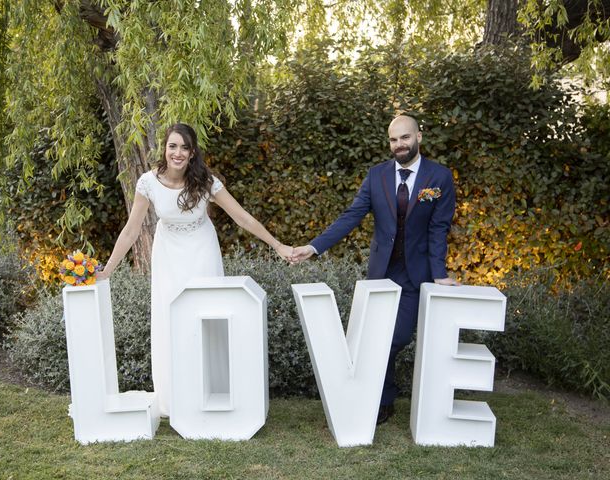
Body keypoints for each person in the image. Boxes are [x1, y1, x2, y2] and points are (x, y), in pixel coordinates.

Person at [98, 123, 292, 416]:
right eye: (172, 146)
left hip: (202, 252)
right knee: (170, 318)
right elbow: (130, 231)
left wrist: (278, 245)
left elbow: (242, 217)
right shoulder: (147, 183)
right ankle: (176, 398)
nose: (177, 153)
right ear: (164, 148)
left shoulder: (206, 182)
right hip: (168, 256)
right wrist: (108, 270)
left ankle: (215, 392)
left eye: (184, 147)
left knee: (208, 319)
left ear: (192, 153)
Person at [292, 114, 460, 425]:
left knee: (395, 338)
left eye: (405, 138)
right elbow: (351, 216)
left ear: (419, 137)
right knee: (374, 338)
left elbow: (439, 228)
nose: (399, 144)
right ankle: (382, 401)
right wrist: (314, 247)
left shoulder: (439, 178)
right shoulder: (377, 176)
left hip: (416, 274)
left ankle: (384, 394)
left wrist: (439, 273)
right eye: (394, 140)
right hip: (381, 273)